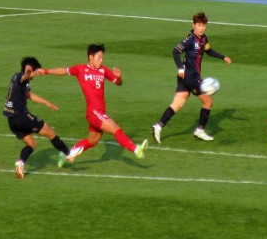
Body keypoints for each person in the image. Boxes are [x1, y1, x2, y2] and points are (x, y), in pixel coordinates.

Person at [38, 43, 147, 164]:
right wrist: (45, 71)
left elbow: (118, 83)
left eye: (102, 58)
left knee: (92, 141)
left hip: (100, 111)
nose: (101, 60)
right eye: (99, 57)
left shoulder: (103, 70)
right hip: (94, 111)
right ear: (91, 57)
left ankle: (66, 154)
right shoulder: (80, 69)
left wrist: (119, 77)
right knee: (116, 129)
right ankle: (136, 149)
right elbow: (63, 70)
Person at [151, 12, 231, 143]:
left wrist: (223, 57)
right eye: (199, 25)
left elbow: (209, 51)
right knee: (208, 101)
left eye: (204, 25)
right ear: (193, 25)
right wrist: (180, 68)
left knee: (177, 104)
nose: (201, 28)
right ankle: (200, 131)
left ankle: (158, 127)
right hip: (190, 77)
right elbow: (175, 51)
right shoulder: (189, 40)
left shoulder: (203, 39)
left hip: (187, 78)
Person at [3, 56, 73, 179]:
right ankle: (68, 154)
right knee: (50, 132)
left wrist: (46, 102)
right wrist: (28, 72)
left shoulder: (16, 77)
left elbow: (29, 95)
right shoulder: (22, 77)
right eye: (36, 72)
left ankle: (20, 163)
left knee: (31, 144)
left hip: (11, 121)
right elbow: (25, 75)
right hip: (21, 117)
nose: (36, 75)